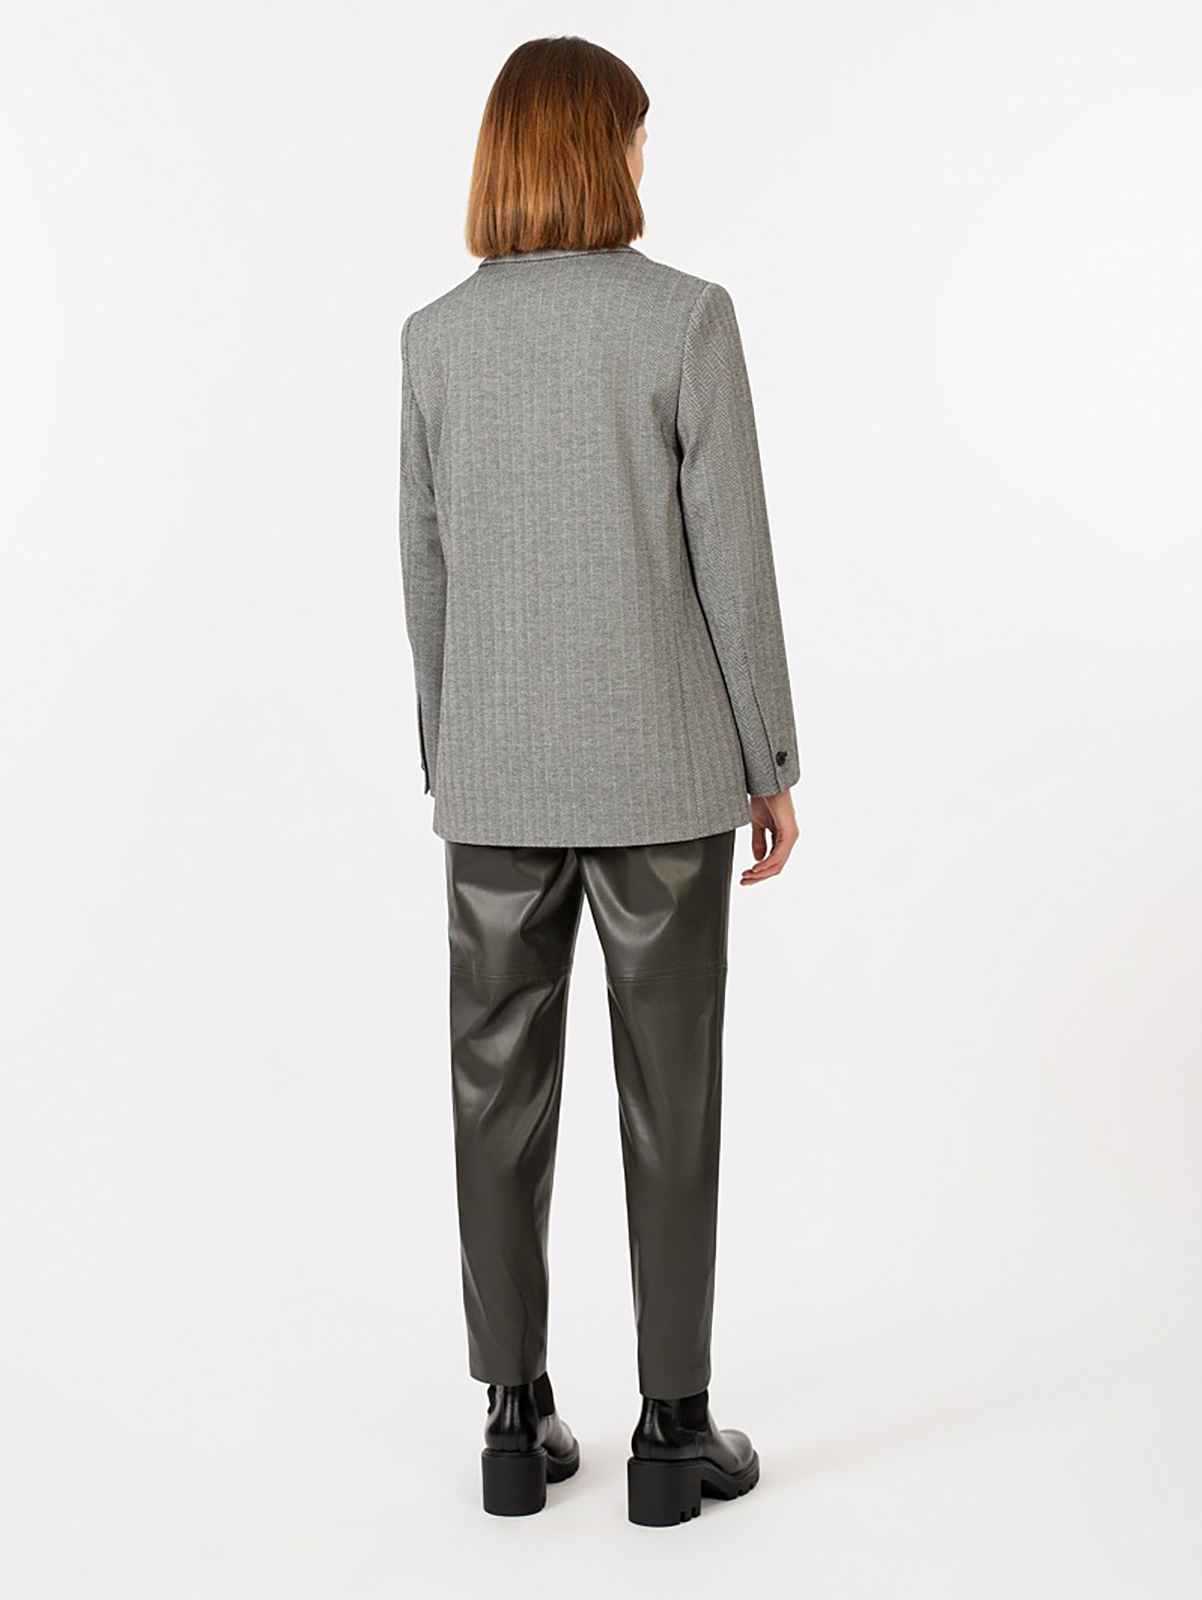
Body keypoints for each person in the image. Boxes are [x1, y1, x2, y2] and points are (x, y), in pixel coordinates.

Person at [398, 35, 801, 1525]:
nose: (643, 162)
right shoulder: (684, 318)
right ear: (595, 150)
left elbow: (426, 572)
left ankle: (511, 1421)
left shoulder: (435, 341)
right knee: (669, 1098)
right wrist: (767, 759)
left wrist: (453, 752)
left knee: (491, 1092)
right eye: (634, 137)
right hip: (663, 771)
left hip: (495, 776)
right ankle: (673, 1433)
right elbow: (733, 563)